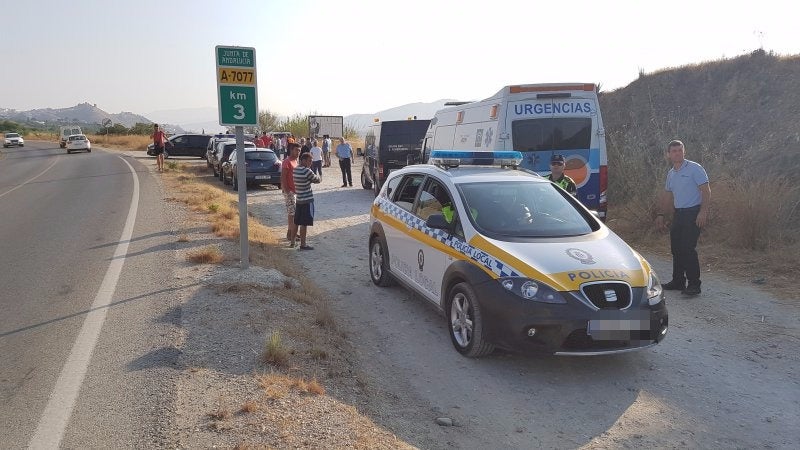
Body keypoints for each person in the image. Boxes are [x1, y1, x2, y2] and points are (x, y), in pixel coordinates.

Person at [655, 140, 711, 296]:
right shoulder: (671, 173)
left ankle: (694, 284)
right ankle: (678, 281)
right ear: (668, 154)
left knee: (688, 249)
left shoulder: (695, 168)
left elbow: (706, 191)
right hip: (678, 214)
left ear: (684, 151)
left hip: (693, 213)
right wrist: (661, 214)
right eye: (674, 151)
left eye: (680, 150)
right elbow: (667, 195)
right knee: (676, 249)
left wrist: (703, 212)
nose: (677, 153)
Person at [292, 152, 321, 250]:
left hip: (299, 199)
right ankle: (303, 244)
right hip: (307, 200)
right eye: (309, 161)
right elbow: (317, 180)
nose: (311, 163)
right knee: (304, 224)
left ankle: (292, 242)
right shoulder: (307, 171)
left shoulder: (295, 169)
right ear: (303, 160)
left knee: (296, 222)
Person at [281, 143, 301, 247]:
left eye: (299, 151)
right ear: (291, 150)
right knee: (292, 213)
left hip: (295, 191)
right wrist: (287, 190)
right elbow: (283, 177)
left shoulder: (295, 161)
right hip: (289, 192)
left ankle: (292, 232)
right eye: (296, 150)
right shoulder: (286, 161)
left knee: (293, 213)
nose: (298, 152)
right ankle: (290, 234)